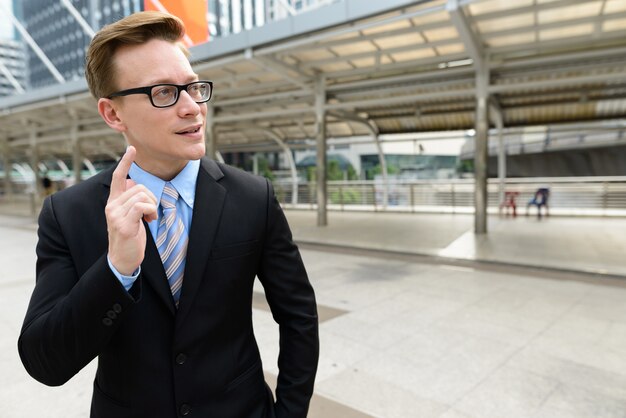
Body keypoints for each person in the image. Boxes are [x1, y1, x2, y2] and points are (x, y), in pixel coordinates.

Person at [18, 11, 319, 418]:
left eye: (193, 87)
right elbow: (45, 362)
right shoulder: (68, 213)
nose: (192, 107)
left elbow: (299, 317)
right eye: (164, 92)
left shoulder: (253, 197)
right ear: (112, 114)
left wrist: (289, 413)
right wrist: (117, 269)